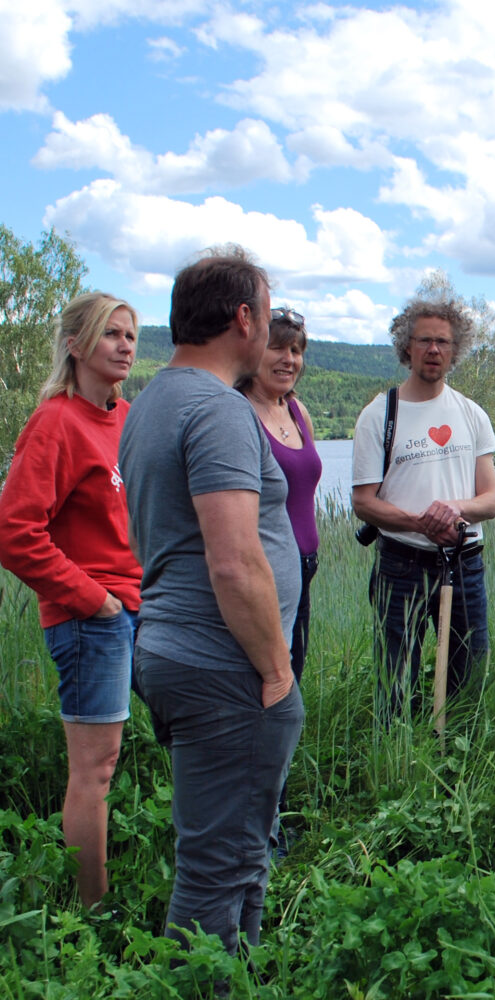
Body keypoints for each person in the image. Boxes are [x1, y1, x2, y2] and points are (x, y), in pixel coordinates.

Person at [119, 246, 303, 952]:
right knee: (215, 868)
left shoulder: (152, 401)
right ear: (243, 318)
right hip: (224, 665)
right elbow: (233, 563)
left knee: (241, 848)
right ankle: (197, 979)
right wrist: (277, 670)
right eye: (266, 310)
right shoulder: (217, 409)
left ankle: (242, 972)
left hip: (174, 648)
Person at [0, 292, 142, 909]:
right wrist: (94, 600)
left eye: (131, 335)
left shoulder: (128, 418)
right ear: (77, 345)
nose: (125, 345)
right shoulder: (56, 421)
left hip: (140, 608)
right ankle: (93, 913)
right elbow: (14, 532)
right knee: (95, 771)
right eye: (111, 334)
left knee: (150, 749)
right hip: (92, 622)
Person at [351, 284, 495, 726]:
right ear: (407, 348)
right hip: (400, 567)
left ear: (455, 351)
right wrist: (420, 522)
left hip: (464, 563)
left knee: (466, 678)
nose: (434, 350)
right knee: (394, 680)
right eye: (424, 340)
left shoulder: (471, 414)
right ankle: (398, 770)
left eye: (443, 342)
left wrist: (450, 511)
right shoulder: (380, 414)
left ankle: (456, 770)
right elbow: (363, 503)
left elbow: (490, 501)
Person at [238, 306, 321, 858]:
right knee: (264, 698)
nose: (288, 359)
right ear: (252, 351)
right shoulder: (239, 413)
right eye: (277, 347)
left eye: (296, 350)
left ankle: (271, 818)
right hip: (263, 576)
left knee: (287, 694)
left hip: (302, 572)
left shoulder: (296, 410)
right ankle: (254, 833)